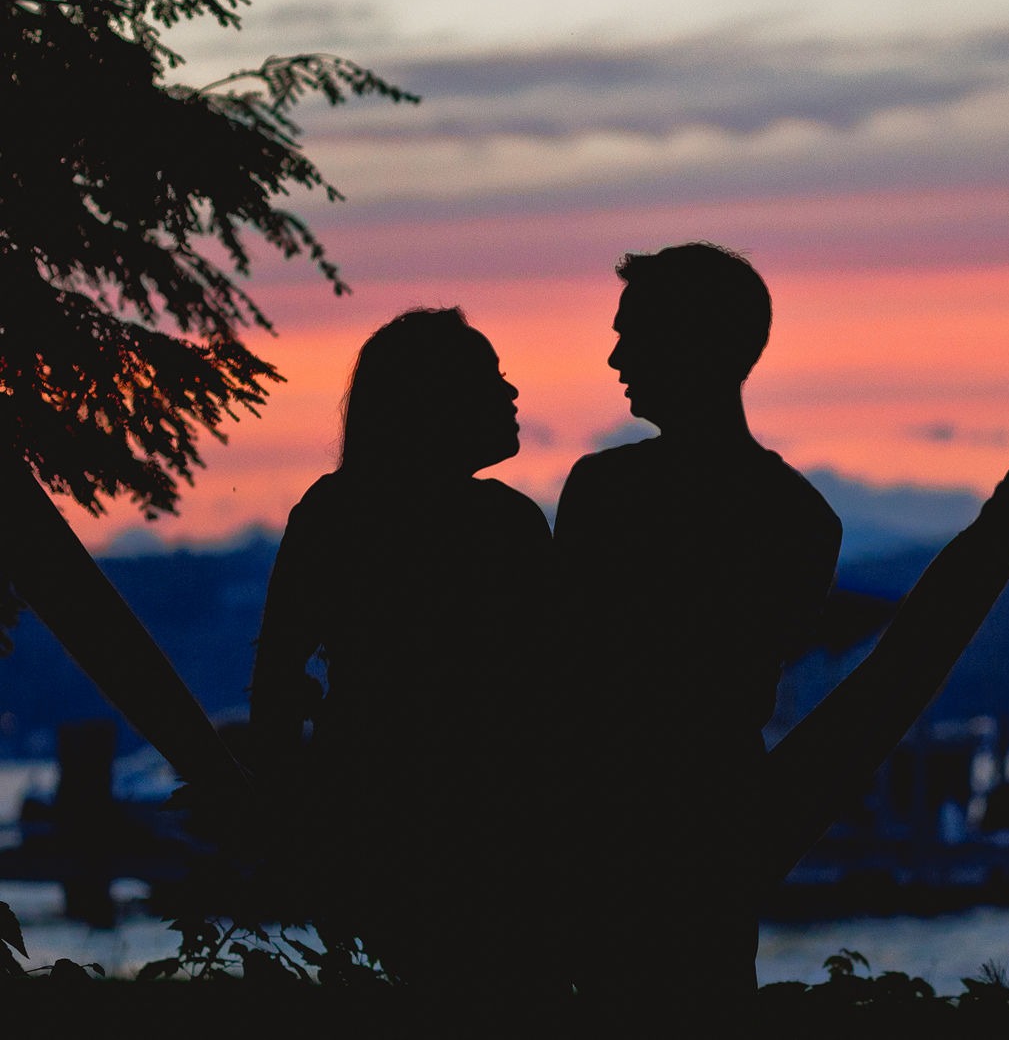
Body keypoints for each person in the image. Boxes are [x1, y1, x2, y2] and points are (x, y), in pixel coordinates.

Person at [553, 243, 841, 1009]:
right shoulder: (803, 518)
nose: (614, 355)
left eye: (632, 332)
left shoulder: (603, 490)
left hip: (605, 822)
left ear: (691, 343)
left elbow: (563, 665)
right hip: (714, 824)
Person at [248, 307, 556, 990]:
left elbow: (275, 679)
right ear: (438, 398)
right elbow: (552, 686)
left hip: (369, 814)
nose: (510, 394)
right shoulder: (507, 524)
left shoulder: (333, 512)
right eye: (491, 378)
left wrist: (286, 812)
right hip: (496, 818)